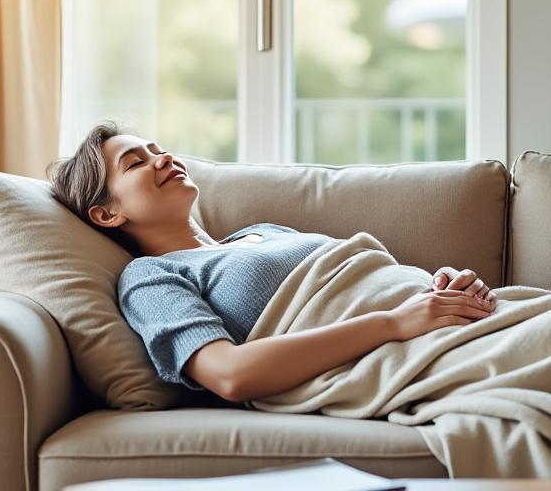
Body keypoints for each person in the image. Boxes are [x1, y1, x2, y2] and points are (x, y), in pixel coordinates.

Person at [47, 121, 497, 404]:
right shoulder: (151, 276)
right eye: (135, 163)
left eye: (156, 148)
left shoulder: (262, 232)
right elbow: (229, 374)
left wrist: (441, 286)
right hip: (405, 350)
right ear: (107, 214)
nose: (163, 157)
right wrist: (395, 322)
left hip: (462, 321)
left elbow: (370, 281)